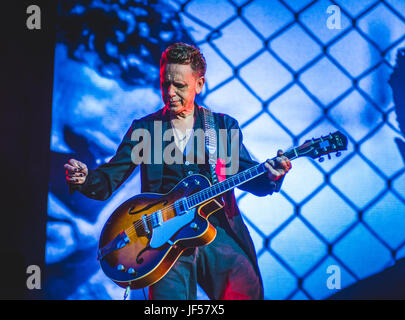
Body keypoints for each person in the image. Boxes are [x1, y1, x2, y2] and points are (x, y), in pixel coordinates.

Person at [65, 43, 291, 300]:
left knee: (243, 290)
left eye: (180, 86)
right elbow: (108, 179)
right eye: (165, 84)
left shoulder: (221, 126)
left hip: (216, 230)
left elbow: (246, 174)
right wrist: (85, 178)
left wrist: (271, 176)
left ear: (199, 84)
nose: (170, 93)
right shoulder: (145, 129)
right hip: (160, 240)